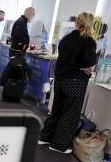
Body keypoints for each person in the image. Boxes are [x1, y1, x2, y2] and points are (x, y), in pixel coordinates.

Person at [39, 11, 97, 154]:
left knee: (56, 110)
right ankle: (58, 145)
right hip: (76, 81)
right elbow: (90, 61)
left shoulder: (66, 38)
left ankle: (45, 137)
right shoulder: (88, 41)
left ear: (77, 23)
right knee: (70, 114)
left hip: (60, 79)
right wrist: (87, 67)